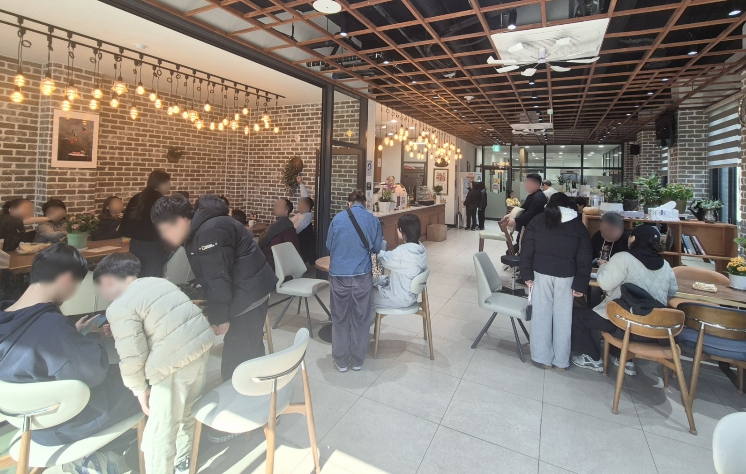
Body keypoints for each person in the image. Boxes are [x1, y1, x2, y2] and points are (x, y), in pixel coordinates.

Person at [0, 243, 139, 446]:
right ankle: (119, 452)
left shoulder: (6, 316)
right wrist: (93, 337)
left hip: (27, 420)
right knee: (142, 380)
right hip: (64, 424)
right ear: (66, 279)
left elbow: (36, 345)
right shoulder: (51, 325)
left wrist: (70, 335)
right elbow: (94, 372)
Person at [93, 252, 214, 474]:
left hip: (172, 364)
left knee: (161, 431)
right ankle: (183, 461)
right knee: (187, 412)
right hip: (199, 347)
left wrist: (139, 389)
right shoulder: (159, 282)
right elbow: (160, 321)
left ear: (108, 281)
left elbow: (132, 356)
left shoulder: (119, 307)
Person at [150, 193, 277, 382]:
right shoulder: (205, 227)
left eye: (166, 229)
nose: (165, 236)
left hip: (247, 293)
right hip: (251, 287)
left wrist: (220, 316)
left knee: (238, 358)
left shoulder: (208, 232)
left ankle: (241, 395)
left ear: (181, 219)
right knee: (251, 344)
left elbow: (218, 277)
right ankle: (260, 389)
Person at [571, 225, 677, 375]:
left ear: (633, 239)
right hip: (652, 326)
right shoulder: (665, 265)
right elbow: (672, 292)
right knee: (621, 319)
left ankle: (592, 357)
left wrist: (603, 268)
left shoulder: (623, 258)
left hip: (623, 320)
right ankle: (622, 357)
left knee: (577, 316)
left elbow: (605, 284)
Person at [520, 193, 593, 370]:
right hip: (566, 277)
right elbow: (585, 258)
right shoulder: (578, 226)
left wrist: (526, 274)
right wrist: (580, 284)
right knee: (563, 318)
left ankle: (542, 357)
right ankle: (561, 361)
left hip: (541, 274)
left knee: (541, 316)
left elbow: (526, 249)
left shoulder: (537, 221)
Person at [327, 189, 382, 372]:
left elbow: (329, 245)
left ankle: (341, 361)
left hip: (338, 275)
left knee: (340, 317)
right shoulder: (373, 220)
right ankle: (357, 360)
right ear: (365, 203)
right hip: (361, 274)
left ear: (348, 203)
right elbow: (376, 248)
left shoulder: (337, 219)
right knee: (361, 317)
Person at [120, 170, 171, 277]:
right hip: (153, 246)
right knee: (152, 279)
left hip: (135, 245)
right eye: (168, 182)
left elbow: (126, 223)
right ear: (161, 184)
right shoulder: (161, 201)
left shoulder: (137, 197)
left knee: (137, 277)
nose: (169, 185)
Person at [373, 214, 428, 309]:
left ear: (401, 230)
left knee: (362, 297)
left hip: (398, 298)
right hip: (409, 295)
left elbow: (385, 259)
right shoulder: (420, 248)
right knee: (374, 283)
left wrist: (373, 249)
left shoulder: (403, 252)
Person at [505, 173, 547, 250]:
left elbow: (530, 213)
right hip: (527, 228)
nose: (525, 185)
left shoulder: (538, 197)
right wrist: (511, 215)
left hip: (533, 230)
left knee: (524, 248)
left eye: (527, 183)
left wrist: (515, 220)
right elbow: (523, 209)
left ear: (535, 184)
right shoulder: (532, 196)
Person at [258, 197, 300, 270]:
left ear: (286, 212)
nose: (275, 207)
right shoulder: (290, 224)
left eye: (279, 207)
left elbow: (262, 242)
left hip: (272, 258)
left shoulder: (274, 226)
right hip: (286, 257)